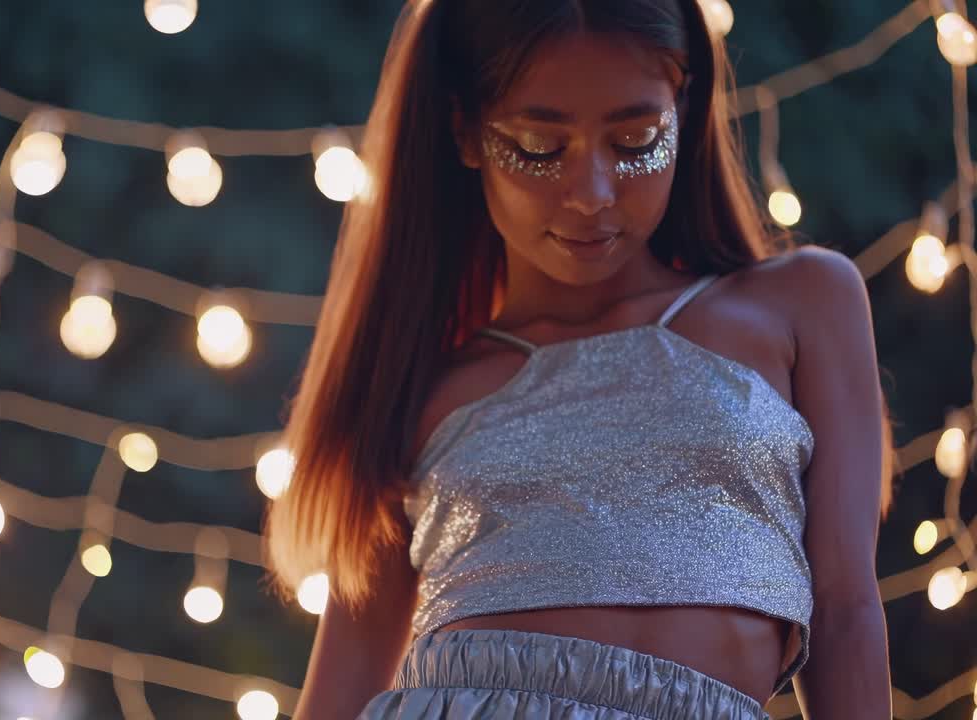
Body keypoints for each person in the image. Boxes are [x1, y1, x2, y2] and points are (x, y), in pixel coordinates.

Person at [262, 1, 896, 717]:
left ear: (683, 113)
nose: (592, 195)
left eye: (635, 141)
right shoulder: (418, 387)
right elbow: (336, 699)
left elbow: (845, 612)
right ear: (463, 129)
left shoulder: (801, 303)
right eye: (538, 146)